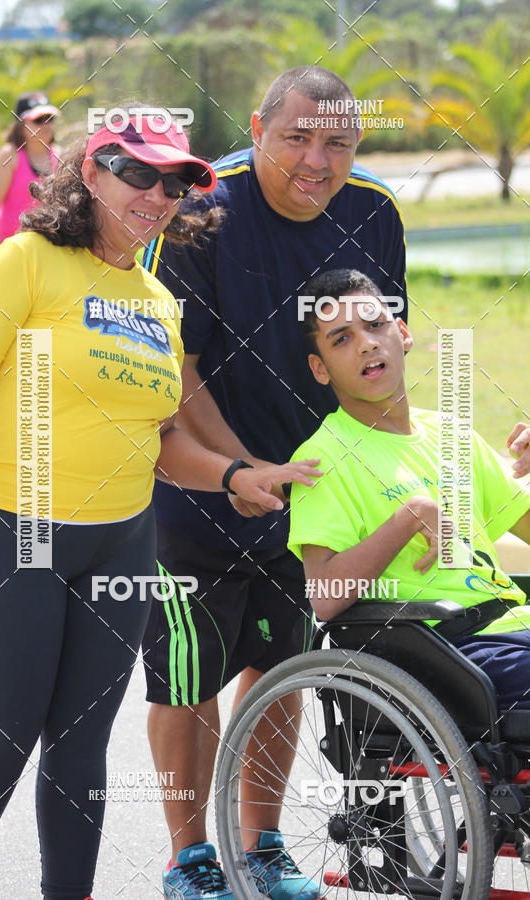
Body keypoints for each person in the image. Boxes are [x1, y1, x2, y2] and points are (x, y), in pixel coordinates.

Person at [0, 111, 321, 900]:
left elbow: (154, 439)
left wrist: (231, 476)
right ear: (90, 172)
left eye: (177, 180)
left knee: (80, 748)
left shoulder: (153, 299)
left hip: (120, 539)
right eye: (138, 173)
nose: (158, 193)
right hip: (14, 527)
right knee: (0, 740)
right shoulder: (25, 263)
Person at [140, 65, 407, 899]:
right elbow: (171, 372)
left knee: (279, 669)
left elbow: (379, 360)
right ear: (258, 126)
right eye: (297, 137)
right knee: (189, 680)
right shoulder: (200, 209)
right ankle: (191, 857)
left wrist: (388, 471)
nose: (317, 160)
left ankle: (261, 849)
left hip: (315, 487)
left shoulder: (375, 211)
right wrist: (243, 473)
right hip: (199, 482)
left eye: (339, 142)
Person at [288, 267, 530, 712]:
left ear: (402, 333)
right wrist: (408, 516)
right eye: (341, 339)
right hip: (455, 652)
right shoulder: (323, 459)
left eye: (374, 325)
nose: (367, 343)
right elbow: (326, 598)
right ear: (320, 368)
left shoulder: (450, 434)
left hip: (522, 627)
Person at [0, 91, 61, 246]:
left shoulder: (61, 155)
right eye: (38, 120)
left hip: (50, 248)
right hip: (12, 247)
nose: (46, 125)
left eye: (50, 118)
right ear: (21, 125)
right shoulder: (9, 155)